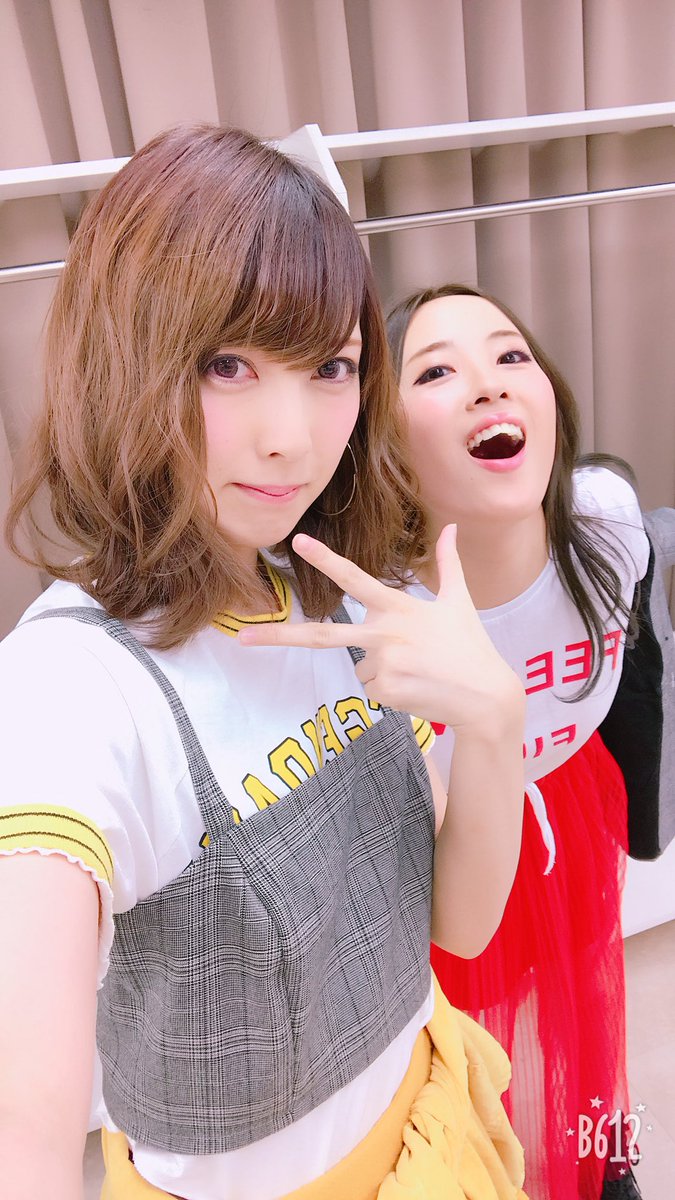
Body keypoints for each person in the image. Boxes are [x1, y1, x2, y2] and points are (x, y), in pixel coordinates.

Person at [0, 129, 529, 1200]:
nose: (292, 437)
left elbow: (457, 926)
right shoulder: (73, 688)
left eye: (330, 367)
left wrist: (495, 721)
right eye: (227, 364)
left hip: (439, 1133)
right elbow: (26, 1138)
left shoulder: (339, 589)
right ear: (124, 356)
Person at [387, 283, 652, 1200]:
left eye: (510, 356)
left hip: (570, 803)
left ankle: (599, 1162)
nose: (488, 384)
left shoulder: (608, 525)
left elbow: (637, 661)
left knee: (583, 1008)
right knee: (456, 1052)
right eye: (435, 372)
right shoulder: (369, 611)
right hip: (438, 846)